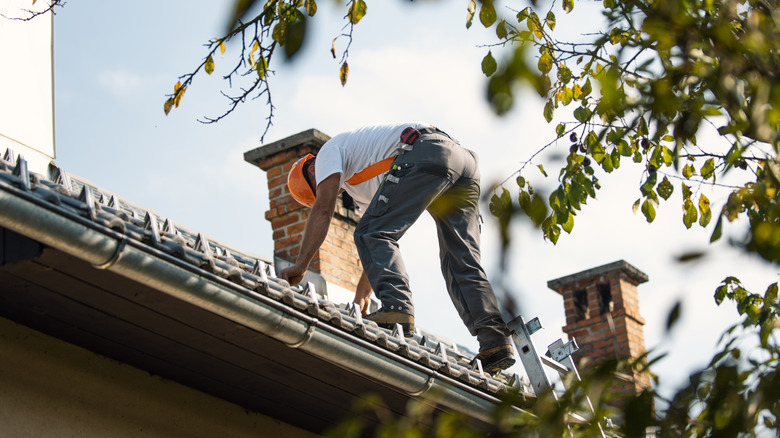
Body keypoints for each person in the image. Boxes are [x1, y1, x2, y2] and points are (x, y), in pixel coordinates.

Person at [278, 123, 515, 374]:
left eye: (318, 186)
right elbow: (378, 242)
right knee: (460, 261)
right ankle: (494, 341)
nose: (327, 190)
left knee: (370, 232)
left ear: (312, 169)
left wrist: (301, 265)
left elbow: (325, 211)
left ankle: (398, 309)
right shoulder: (362, 186)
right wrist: (362, 297)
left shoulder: (327, 152)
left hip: (426, 151)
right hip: (462, 163)